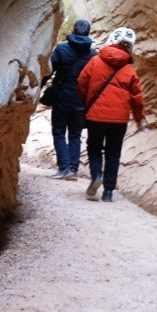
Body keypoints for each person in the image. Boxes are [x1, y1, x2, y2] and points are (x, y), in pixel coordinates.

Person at [77, 26, 146, 202]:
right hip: (119, 120)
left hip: (96, 116)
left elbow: (81, 83)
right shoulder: (129, 70)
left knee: (94, 147)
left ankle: (96, 176)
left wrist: (87, 102)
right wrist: (139, 120)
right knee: (113, 153)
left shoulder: (95, 61)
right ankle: (108, 192)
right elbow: (137, 98)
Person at [43, 19, 96, 180]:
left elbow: (49, 71)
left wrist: (39, 87)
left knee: (59, 132)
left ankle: (64, 168)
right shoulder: (93, 55)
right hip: (81, 100)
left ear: (73, 31)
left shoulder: (61, 49)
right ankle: (73, 169)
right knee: (75, 135)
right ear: (88, 33)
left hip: (62, 98)